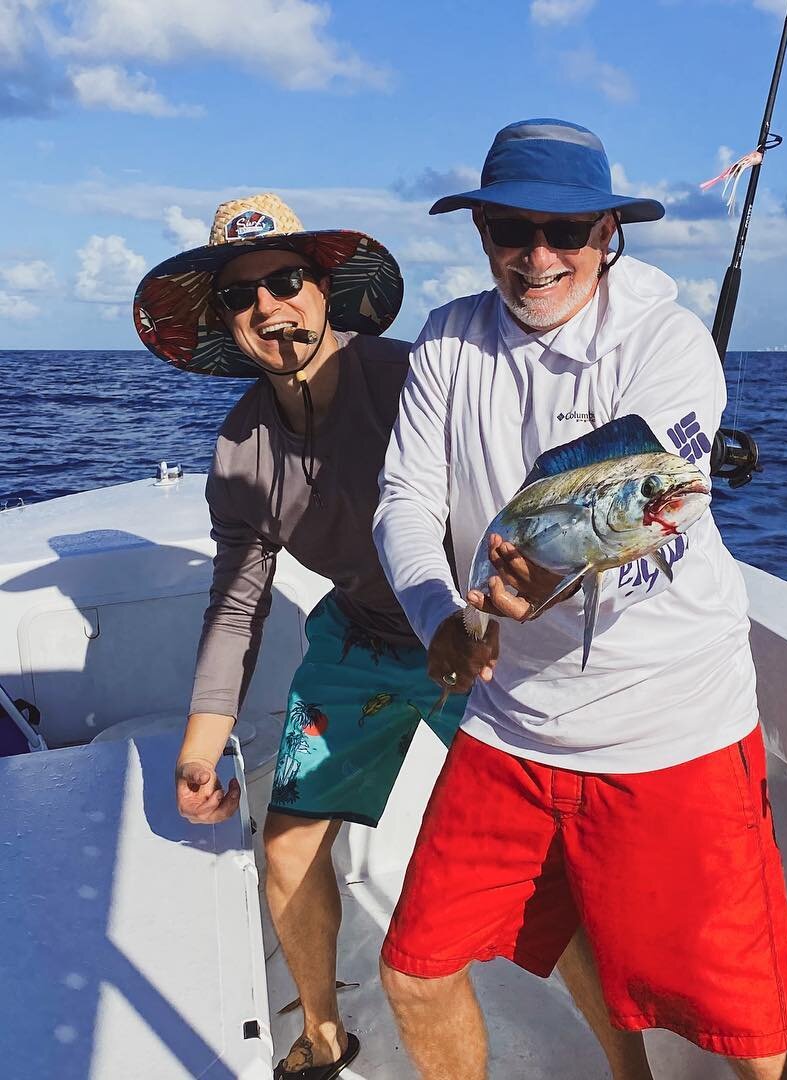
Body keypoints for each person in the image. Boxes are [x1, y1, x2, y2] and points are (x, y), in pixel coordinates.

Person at [135, 193, 639, 1080]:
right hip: (357, 644)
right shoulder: (239, 449)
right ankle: (324, 1033)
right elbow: (237, 604)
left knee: (542, 880)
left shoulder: (414, 377)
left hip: (469, 644)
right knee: (286, 845)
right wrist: (199, 749)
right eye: (243, 296)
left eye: (286, 280)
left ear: (323, 289)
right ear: (227, 323)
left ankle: (626, 1068)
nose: (269, 307)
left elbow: (528, 475)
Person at [373, 119, 787, 1080]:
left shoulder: (667, 343)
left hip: (670, 728)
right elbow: (406, 497)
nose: (538, 256)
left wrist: (552, 573)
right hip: (512, 729)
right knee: (414, 970)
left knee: (753, 1036)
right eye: (510, 229)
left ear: (608, 236)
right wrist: (438, 617)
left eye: (567, 231)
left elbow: (655, 500)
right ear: (481, 232)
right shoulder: (448, 339)